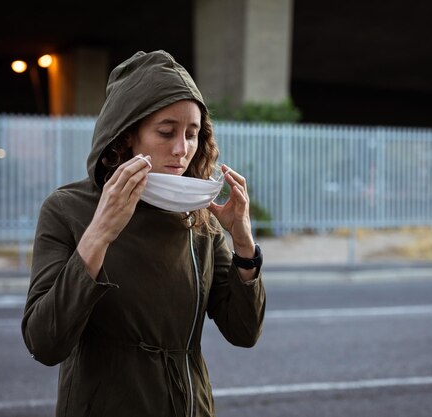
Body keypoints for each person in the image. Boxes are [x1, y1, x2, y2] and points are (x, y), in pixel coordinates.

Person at [21, 50, 266, 417]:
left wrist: (243, 241)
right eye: (166, 132)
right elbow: (45, 343)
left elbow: (244, 333)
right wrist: (101, 231)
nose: (182, 150)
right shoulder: (67, 208)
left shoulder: (198, 215)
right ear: (127, 135)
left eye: (192, 134)